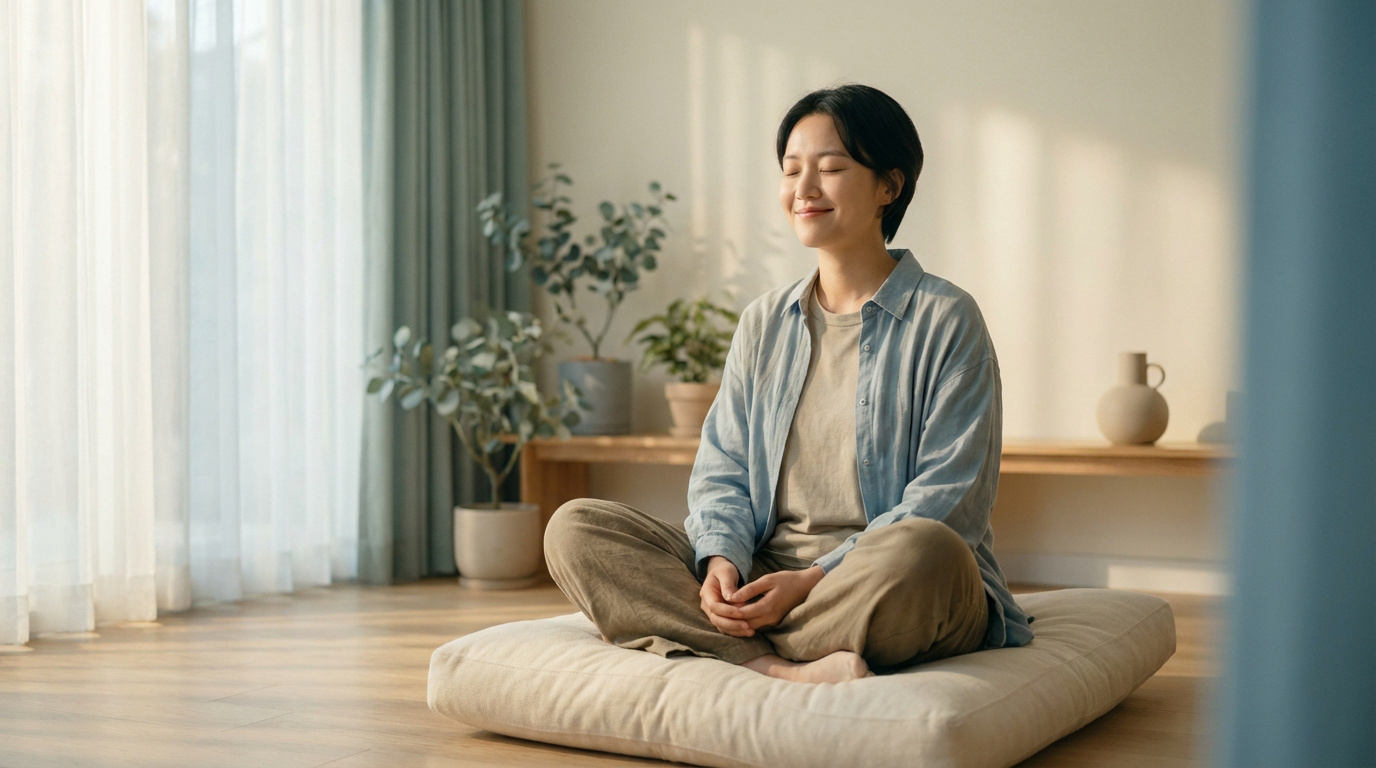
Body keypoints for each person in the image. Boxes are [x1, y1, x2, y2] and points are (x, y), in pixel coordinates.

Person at [544, 84, 1033, 684]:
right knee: (576, 527)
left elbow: (949, 502)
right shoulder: (764, 322)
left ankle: (732, 642)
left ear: (890, 186)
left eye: (830, 169)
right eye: (791, 170)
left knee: (926, 550)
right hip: (767, 572)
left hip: (873, 579)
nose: (803, 190)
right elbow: (722, 467)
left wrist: (812, 580)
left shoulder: (946, 318)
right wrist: (723, 559)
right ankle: (773, 661)